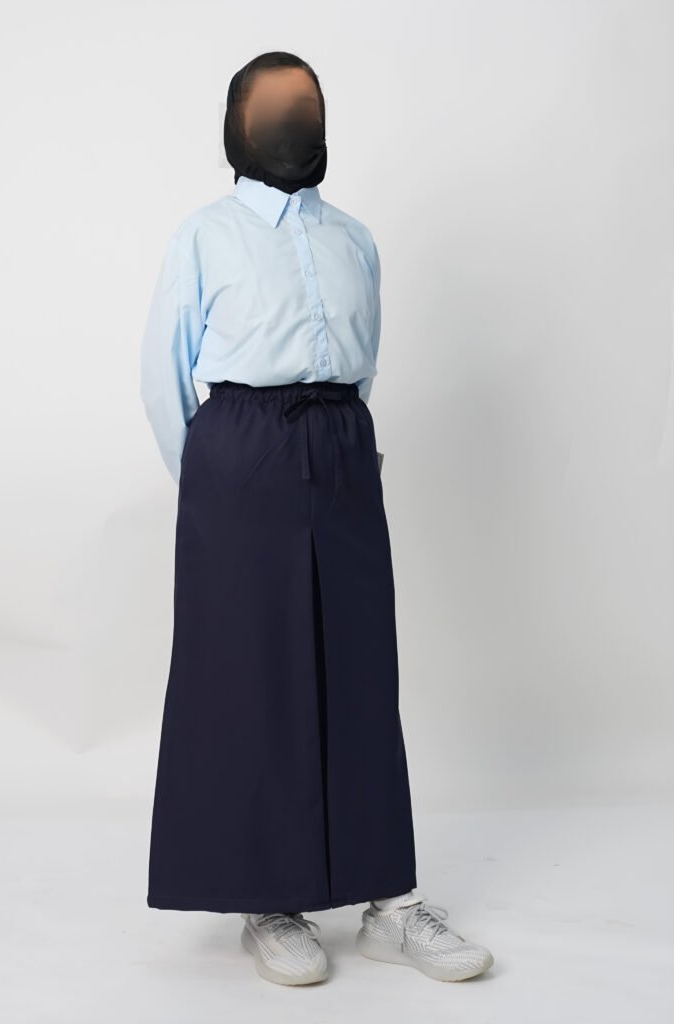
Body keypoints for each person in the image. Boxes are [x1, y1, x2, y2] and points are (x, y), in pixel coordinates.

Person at [140, 50, 494, 987]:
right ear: (236, 127)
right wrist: (216, 483)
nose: (296, 122)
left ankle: (390, 902)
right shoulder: (205, 236)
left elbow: (360, 360)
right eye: (277, 109)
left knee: (360, 665)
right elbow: (163, 374)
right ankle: (270, 899)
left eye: (309, 105)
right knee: (252, 673)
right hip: (239, 456)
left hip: (338, 444)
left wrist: (335, 444)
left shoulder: (354, 239)